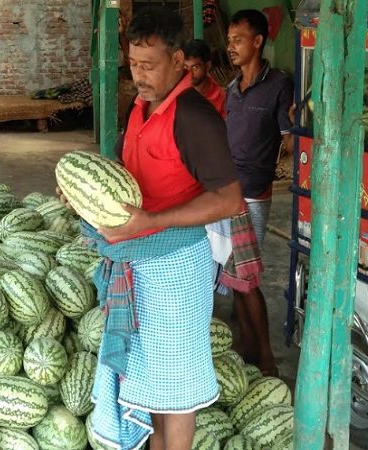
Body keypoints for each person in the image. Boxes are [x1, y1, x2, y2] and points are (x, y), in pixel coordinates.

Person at [60, 7, 244, 450]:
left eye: (150, 66)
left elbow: (230, 199)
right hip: (137, 261)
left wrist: (152, 221)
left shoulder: (194, 116)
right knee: (153, 387)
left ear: (179, 60)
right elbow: (129, 174)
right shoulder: (139, 107)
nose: (139, 76)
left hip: (177, 267)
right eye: (133, 65)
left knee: (177, 395)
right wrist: (82, 193)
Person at [224, 9, 295, 377]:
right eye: (229, 40)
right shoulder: (232, 90)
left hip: (253, 195)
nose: (230, 47)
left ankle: (266, 360)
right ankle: (248, 346)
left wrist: (287, 158)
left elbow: (288, 139)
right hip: (225, 193)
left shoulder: (279, 84)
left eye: (238, 40)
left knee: (247, 279)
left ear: (257, 41)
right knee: (234, 277)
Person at [182, 39, 226, 118]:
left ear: (208, 66)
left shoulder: (222, 99)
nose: (190, 74)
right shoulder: (179, 95)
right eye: (186, 67)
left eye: (195, 67)